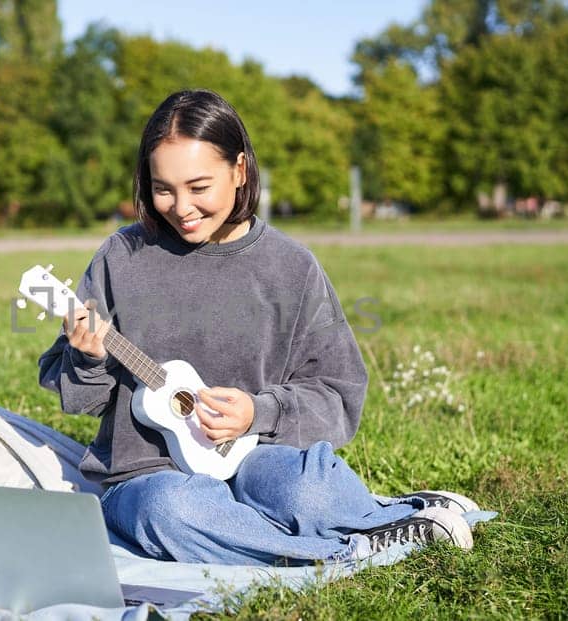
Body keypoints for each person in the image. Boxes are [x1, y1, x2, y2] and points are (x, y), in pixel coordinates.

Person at [37, 89, 473, 567]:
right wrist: (87, 357)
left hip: (259, 455)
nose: (181, 207)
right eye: (163, 189)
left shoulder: (291, 267)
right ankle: (360, 545)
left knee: (309, 493)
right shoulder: (122, 258)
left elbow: (339, 393)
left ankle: (347, 524)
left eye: (199, 187)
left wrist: (259, 413)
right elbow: (81, 399)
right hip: (149, 476)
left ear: (239, 170)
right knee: (170, 511)